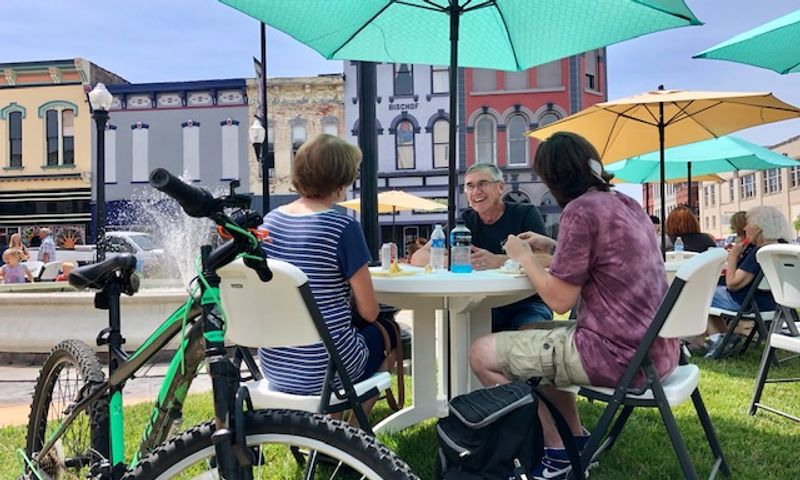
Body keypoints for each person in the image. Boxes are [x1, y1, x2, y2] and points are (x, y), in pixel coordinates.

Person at [470, 132, 675, 480]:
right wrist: (552, 244)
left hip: (615, 355)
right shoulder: (625, 203)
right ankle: (573, 442)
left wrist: (521, 256)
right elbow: (603, 257)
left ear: (554, 177)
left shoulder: (580, 211)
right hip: (655, 351)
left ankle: (554, 453)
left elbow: (559, 300)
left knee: (480, 352)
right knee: (534, 333)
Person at [258, 134, 395, 419]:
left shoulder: (269, 223)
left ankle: (329, 431)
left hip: (276, 366)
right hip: (324, 369)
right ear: (342, 179)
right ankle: (348, 434)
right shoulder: (343, 225)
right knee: (390, 333)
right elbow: (369, 312)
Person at [412, 163, 552, 331]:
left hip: (526, 301)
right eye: (469, 186)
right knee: (461, 332)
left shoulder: (524, 214)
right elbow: (418, 257)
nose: (476, 191)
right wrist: (456, 260)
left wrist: (499, 260)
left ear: (500, 187)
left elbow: (549, 259)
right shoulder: (464, 222)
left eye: (483, 184)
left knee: (531, 339)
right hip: (482, 303)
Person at [704, 206, 792, 356]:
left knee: (696, 293)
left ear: (759, 228)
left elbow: (732, 284)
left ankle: (719, 338)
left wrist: (732, 257)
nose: (744, 227)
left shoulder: (759, 252)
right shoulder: (782, 247)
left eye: (748, 224)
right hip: (774, 303)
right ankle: (725, 338)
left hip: (747, 303)